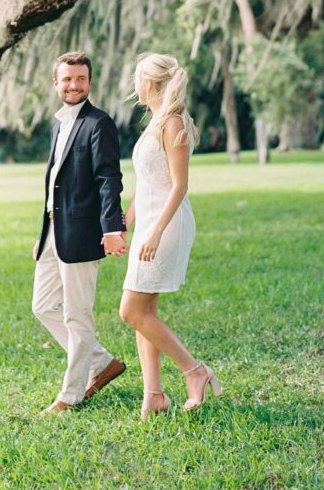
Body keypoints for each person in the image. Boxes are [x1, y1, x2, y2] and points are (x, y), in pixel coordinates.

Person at [119, 53, 222, 419]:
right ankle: (155, 396)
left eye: (137, 78)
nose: (134, 85)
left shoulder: (174, 122)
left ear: (149, 82)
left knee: (131, 311)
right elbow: (146, 184)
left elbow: (179, 187)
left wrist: (155, 233)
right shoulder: (156, 122)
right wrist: (124, 224)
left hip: (167, 224)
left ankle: (195, 371)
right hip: (148, 222)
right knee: (144, 311)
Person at [32, 51, 128, 414]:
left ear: (89, 82)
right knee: (42, 306)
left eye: (80, 79)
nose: (74, 85)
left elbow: (108, 179)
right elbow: (56, 182)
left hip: (84, 232)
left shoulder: (99, 123)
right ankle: (101, 362)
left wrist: (112, 227)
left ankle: (70, 396)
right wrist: (42, 233)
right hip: (53, 233)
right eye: (67, 79)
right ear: (56, 82)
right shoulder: (58, 124)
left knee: (77, 315)